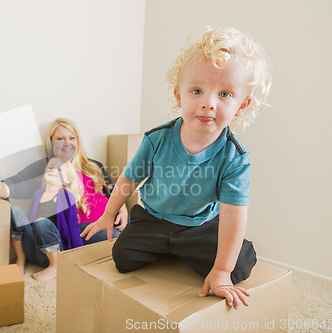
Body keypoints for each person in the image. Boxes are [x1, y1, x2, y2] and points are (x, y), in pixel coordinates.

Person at [81, 27, 271, 310]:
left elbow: (233, 216)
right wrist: (109, 213)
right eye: (197, 91)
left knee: (239, 266)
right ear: (179, 96)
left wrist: (221, 271)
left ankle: (187, 252)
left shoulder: (236, 157)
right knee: (122, 258)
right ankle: (168, 249)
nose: (208, 103)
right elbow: (130, 178)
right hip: (153, 219)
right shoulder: (156, 139)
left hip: (200, 226)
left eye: (224, 94)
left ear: (241, 105)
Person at [0, 118, 128, 244]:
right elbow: (15, 183)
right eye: (60, 138)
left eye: (72, 138)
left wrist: (123, 208)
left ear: (78, 142)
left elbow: (114, 191)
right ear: (51, 143)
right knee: (116, 238)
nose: (67, 142)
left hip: (109, 220)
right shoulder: (47, 168)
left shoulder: (94, 166)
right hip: (79, 231)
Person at [10, 158, 83, 281]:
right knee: (15, 211)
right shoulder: (38, 194)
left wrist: (79, 257)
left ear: (67, 180)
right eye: (51, 167)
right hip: (34, 250)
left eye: (59, 169)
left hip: (55, 253)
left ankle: (55, 267)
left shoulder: (67, 197)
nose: (53, 170)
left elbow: (73, 229)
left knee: (41, 222)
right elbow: (28, 223)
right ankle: (20, 259)